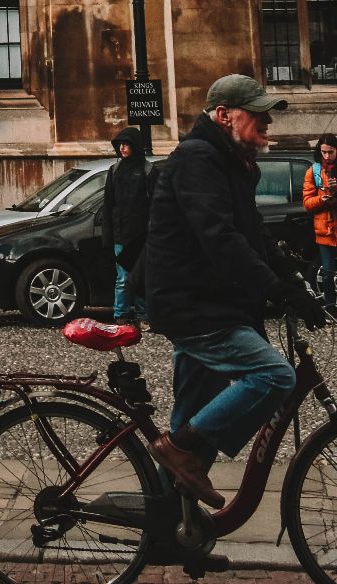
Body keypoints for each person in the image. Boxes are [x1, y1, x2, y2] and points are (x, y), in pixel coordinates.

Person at [143, 73, 322, 509]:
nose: (267, 123)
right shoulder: (197, 158)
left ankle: (170, 526)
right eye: (257, 114)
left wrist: (293, 282)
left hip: (210, 303)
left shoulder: (233, 163)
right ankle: (178, 449)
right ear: (224, 115)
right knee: (274, 376)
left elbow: (255, 234)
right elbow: (219, 237)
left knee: (189, 415)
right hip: (194, 306)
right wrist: (275, 291)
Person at [102, 124, 153, 323]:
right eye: (120, 144)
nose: (122, 148)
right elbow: (108, 205)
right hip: (121, 234)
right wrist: (109, 235)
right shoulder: (114, 171)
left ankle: (143, 314)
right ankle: (120, 316)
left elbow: (153, 204)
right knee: (123, 278)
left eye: (126, 144)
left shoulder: (148, 170)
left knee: (141, 277)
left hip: (141, 235)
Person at [302, 132, 337, 319]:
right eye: (323, 152)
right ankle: (331, 309)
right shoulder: (314, 172)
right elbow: (307, 203)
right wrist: (323, 199)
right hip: (326, 229)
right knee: (328, 272)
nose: (327, 156)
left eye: (330, 152)